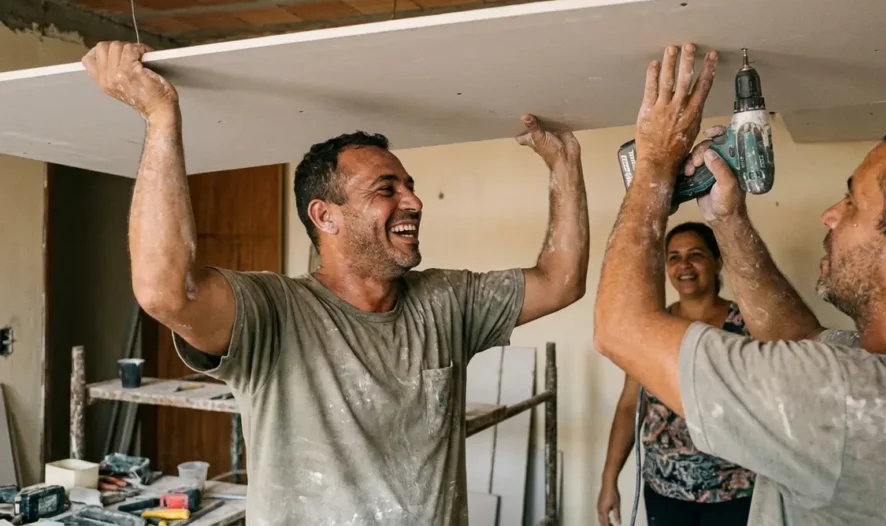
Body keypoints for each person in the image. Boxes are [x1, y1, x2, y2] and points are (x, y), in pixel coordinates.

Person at [81, 41, 591, 525]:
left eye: (409, 187)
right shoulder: (275, 313)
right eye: (386, 190)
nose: (413, 202)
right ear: (325, 217)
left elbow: (559, 281)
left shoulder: (448, 301)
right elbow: (164, 292)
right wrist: (160, 116)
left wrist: (564, 163)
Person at [594, 42, 886, 525]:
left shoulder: (845, 398)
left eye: (853, 202)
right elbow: (797, 338)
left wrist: (652, 168)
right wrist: (727, 220)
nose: (830, 215)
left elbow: (620, 329)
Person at [598, 222, 754, 526]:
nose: (684, 265)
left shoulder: (746, 327)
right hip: (664, 489)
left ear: (717, 261)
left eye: (695, 255)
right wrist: (608, 480)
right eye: (674, 257)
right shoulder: (653, 328)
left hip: (734, 490)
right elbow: (631, 405)